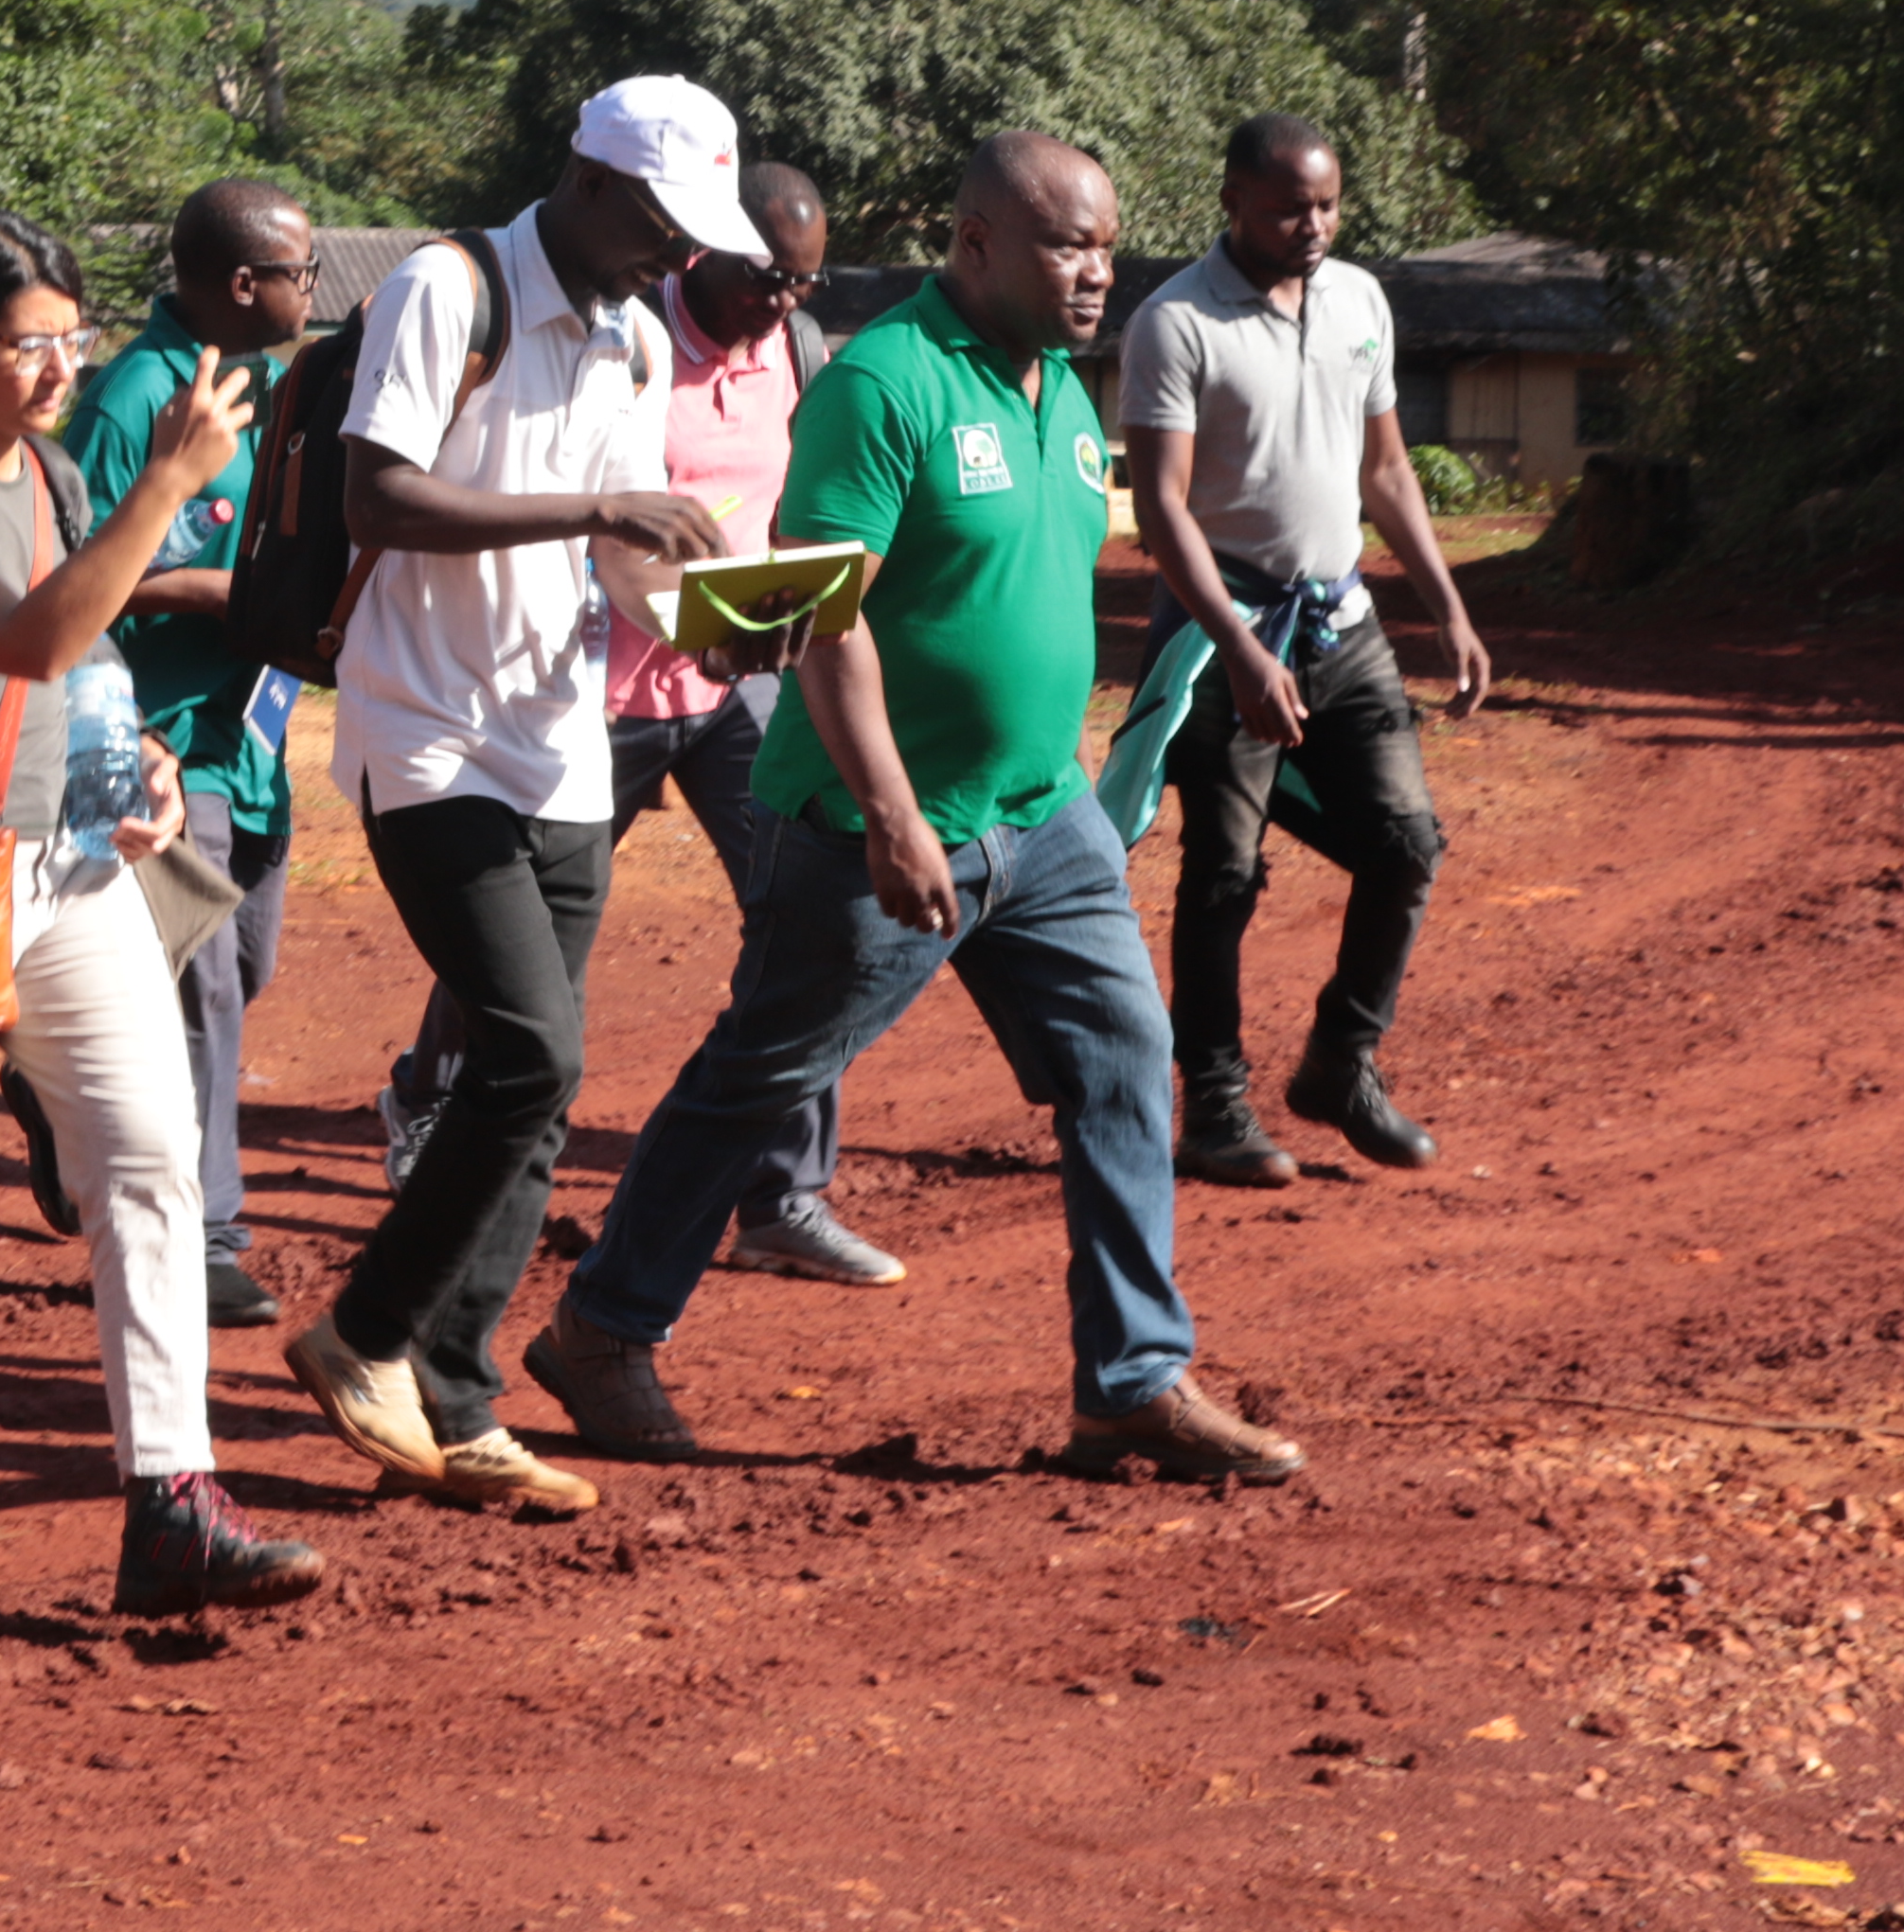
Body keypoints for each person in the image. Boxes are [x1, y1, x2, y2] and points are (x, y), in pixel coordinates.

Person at [537, 134, 1305, 1487]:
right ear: (976, 245)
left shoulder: (1064, 393)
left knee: (1124, 1060)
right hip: (868, 823)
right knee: (762, 1078)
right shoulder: (886, 383)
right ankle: (603, 1328)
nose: (1095, 272)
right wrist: (894, 814)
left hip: (1043, 816)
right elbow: (826, 613)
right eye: (1066, 243)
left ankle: (1130, 1381)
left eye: (1107, 245)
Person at [0, 206, 328, 1620]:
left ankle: (174, 1498)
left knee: (149, 1160)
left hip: (69, 871)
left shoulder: (54, 473)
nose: (59, 369)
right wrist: (174, 483)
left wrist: (137, 762)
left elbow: (82, 672)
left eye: (73, 341)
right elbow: (20, 633)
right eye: (31, 344)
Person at [276, 78, 745, 1516]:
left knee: (532, 1089)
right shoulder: (444, 287)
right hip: (425, 733)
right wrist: (599, 511)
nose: (676, 258)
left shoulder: (633, 333)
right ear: (590, 179)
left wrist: (722, 623)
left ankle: (457, 1397)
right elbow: (379, 501)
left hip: (558, 738)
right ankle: (360, 1336)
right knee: (531, 1052)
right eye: (662, 225)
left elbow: (622, 560)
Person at [370, 163, 902, 1289]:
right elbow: (597, 522)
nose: (784, 303)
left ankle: (782, 1196)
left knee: (805, 909)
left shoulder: (791, 359)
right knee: (513, 956)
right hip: (586, 693)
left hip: (719, 686)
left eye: (804, 285)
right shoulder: (616, 329)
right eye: (767, 276)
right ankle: (428, 1098)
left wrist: (740, 629)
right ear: (704, 250)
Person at [1119, 113, 1489, 1188]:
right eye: (1289, 207)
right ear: (1231, 198)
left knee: (1406, 845)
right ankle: (1216, 1110)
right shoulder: (1175, 323)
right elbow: (1164, 510)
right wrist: (1236, 647)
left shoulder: (1360, 299)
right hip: (1218, 633)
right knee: (1223, 875)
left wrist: (1448, 611)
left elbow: (1386, 473)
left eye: (1327, 205)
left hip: (1343, 624)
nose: (1312, 225)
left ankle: (1341, 1061)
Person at [46, 174, 315, 1332]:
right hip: (161, 744)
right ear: (244, 283)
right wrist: (206, 593)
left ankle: (45, 1081)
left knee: (238, 969)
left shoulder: (265, 389)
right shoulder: (136, 400)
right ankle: (205, 1236)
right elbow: (77, 583)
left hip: (252, 736)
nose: (317, 289)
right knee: (204, 989)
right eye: (302, 271)